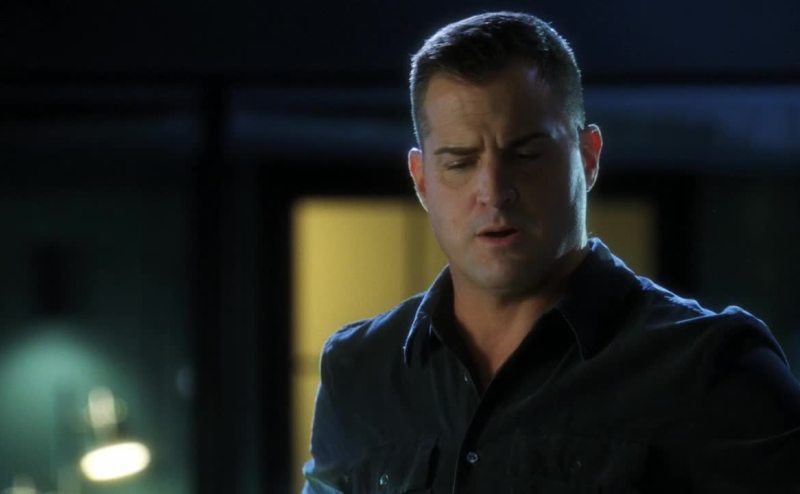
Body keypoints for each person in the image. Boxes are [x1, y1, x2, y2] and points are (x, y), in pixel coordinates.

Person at [302, 11, 800, 493]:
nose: (493, 192)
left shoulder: (710, 366)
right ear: (421, 180)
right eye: (460, 163)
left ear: (588, 157)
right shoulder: (360, 371)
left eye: (525, 155)